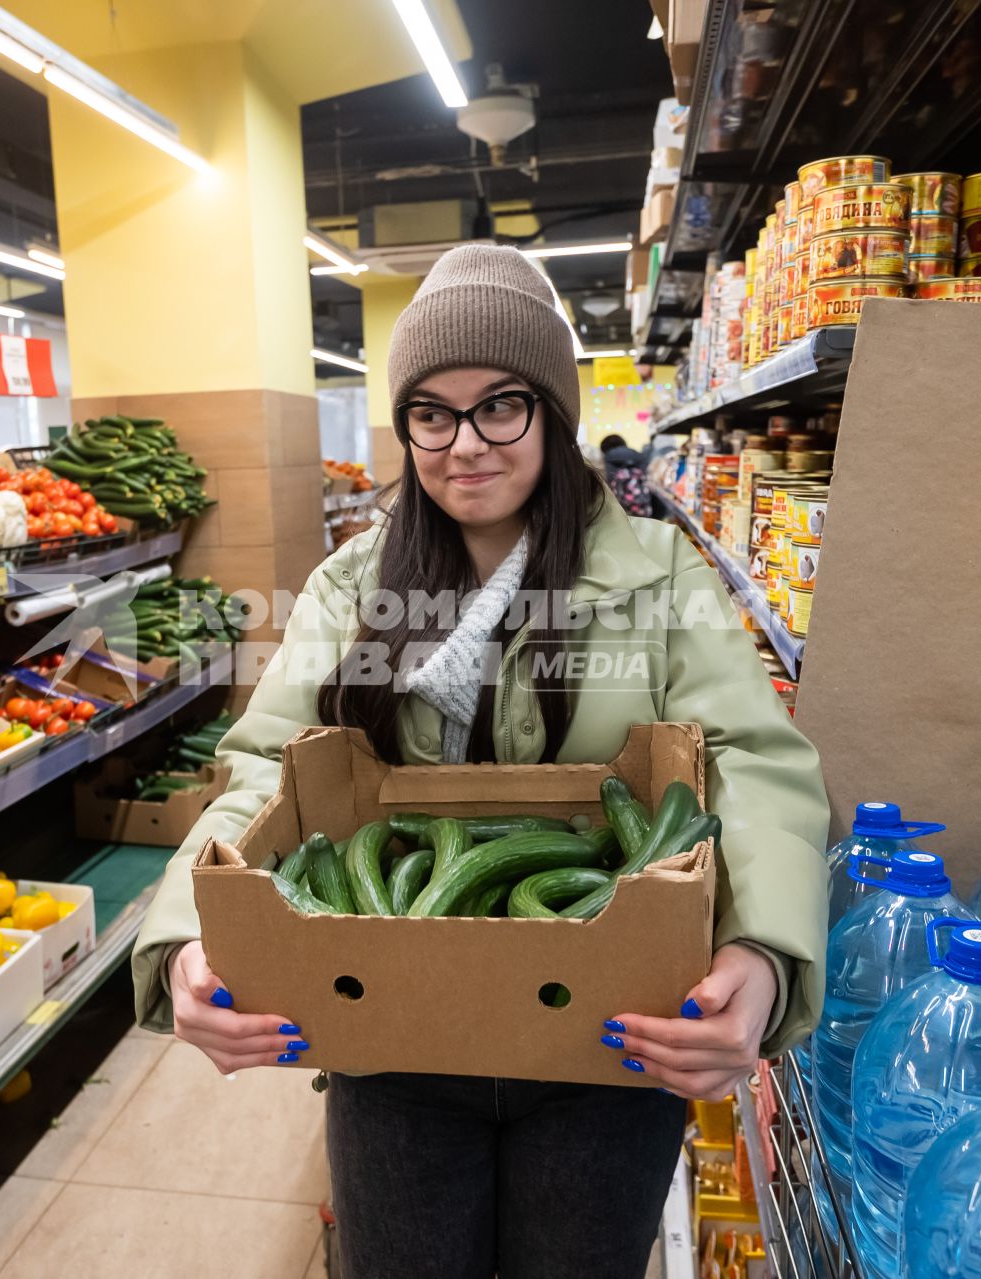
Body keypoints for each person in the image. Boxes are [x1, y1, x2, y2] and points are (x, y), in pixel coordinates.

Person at [130, 245, 827, 1278]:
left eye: (503, 404)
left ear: (552, 411)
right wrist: (194, 937)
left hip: (609, 1035)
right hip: (394, 1035)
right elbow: (266, 766)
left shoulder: (658, 574)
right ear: (406, 423)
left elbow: (754, 762)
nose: (466, 444)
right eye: (432, 412)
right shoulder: (349, 584)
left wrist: (764, 957)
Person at [598, 431, 655, 516]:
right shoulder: (639, 456)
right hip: (644, 506)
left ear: (604, 448)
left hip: (621, 510)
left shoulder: (607, 459)